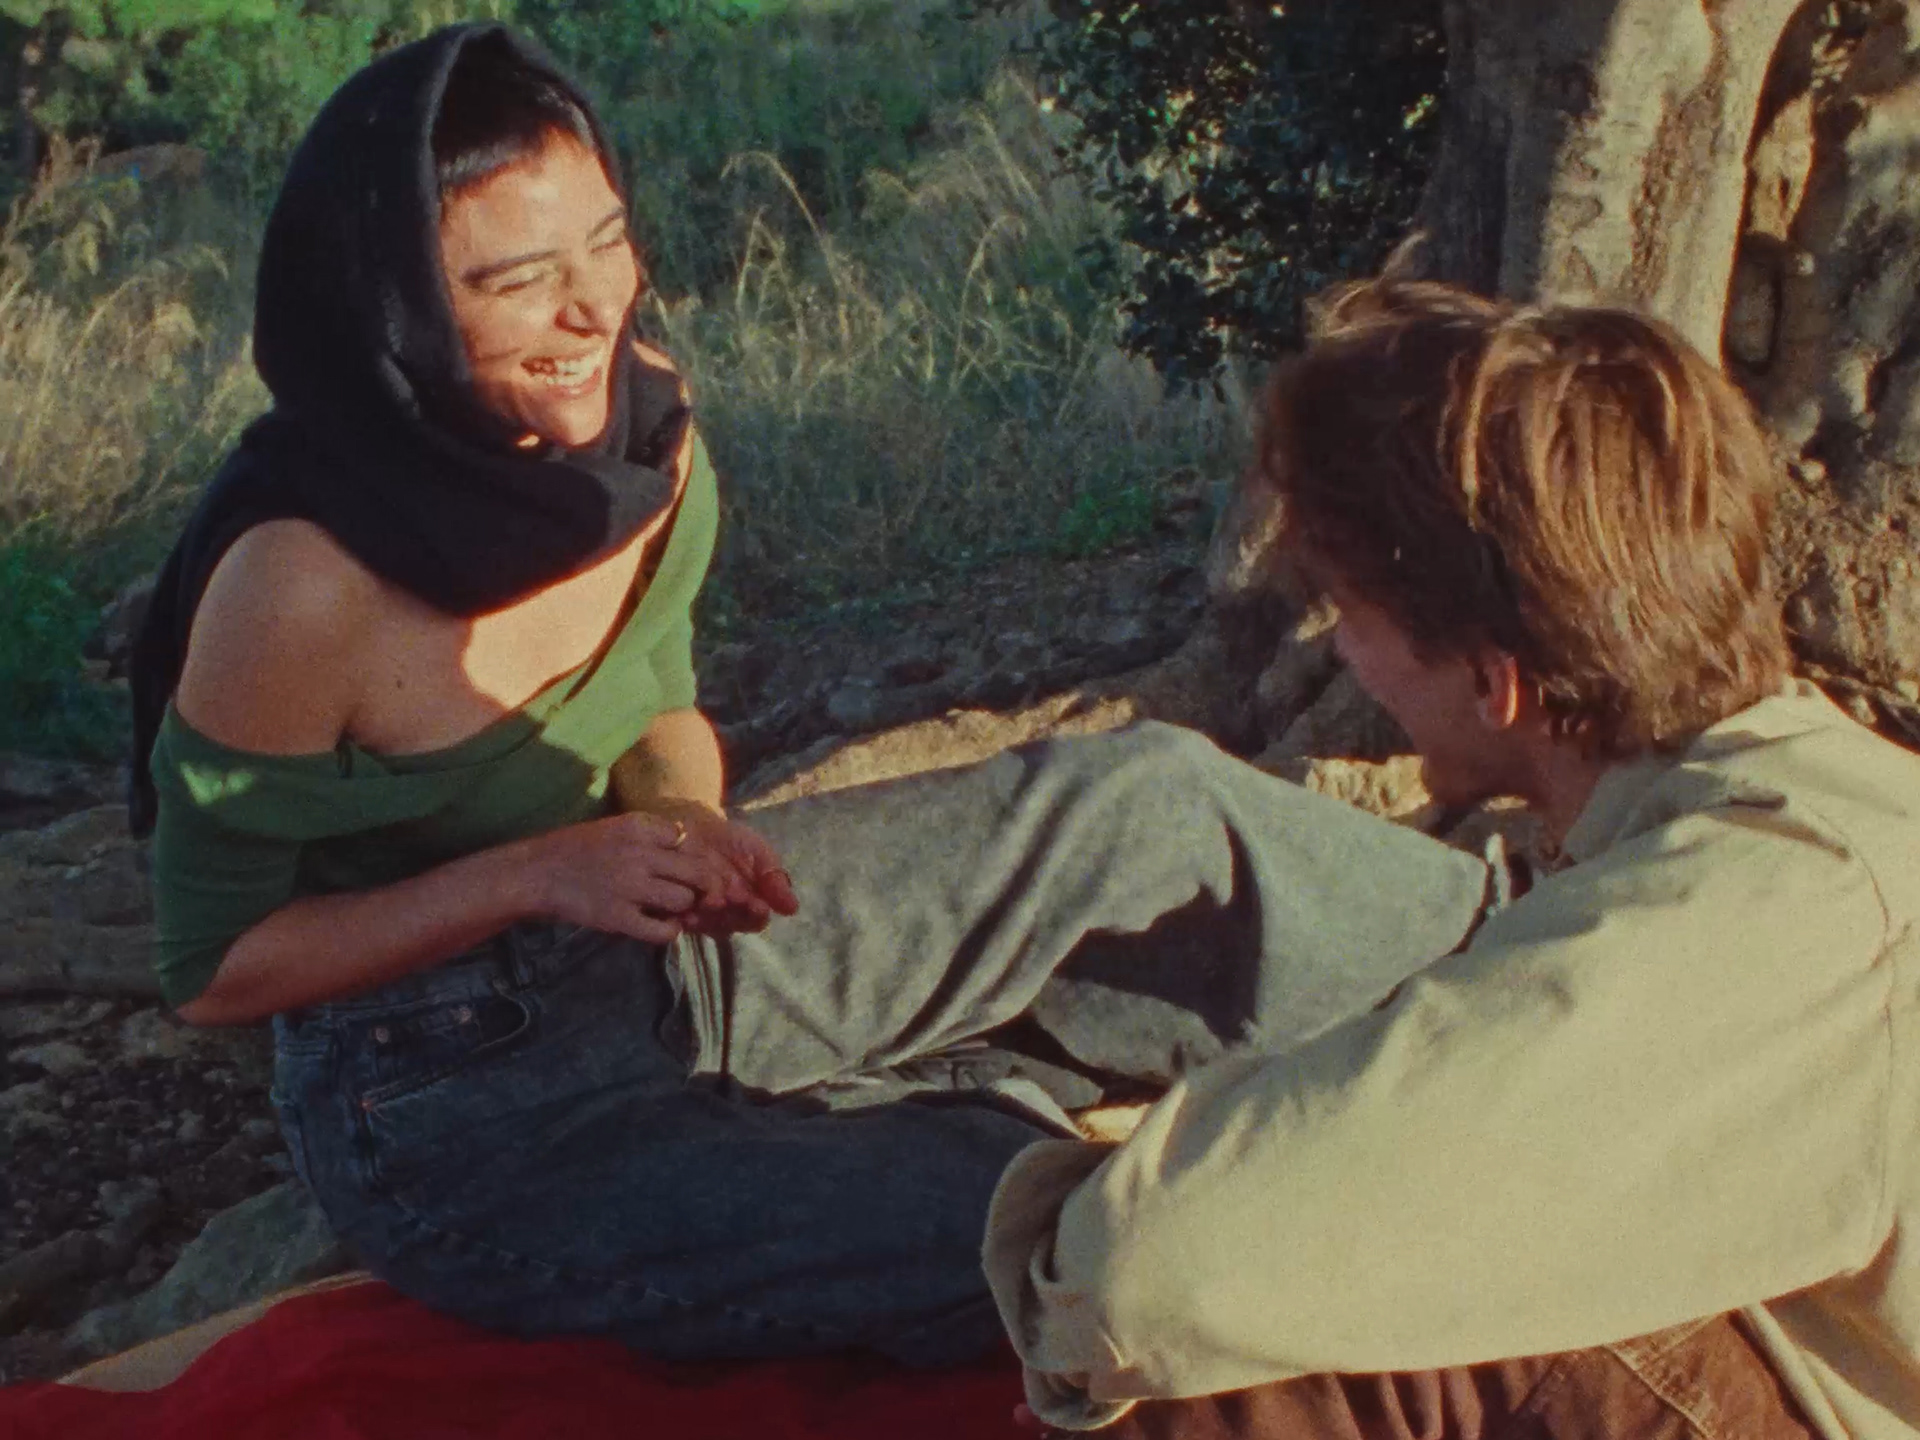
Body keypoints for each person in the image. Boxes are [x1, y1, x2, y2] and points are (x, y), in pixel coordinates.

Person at [131, 23, 1499, 1367]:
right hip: (455, 1106)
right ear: (397, 312)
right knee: (1042, 1230)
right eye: (519, 282)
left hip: (661, 957)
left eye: (607, 242)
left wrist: (686, 819)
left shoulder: (639, 437)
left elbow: (655, 707)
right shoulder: (299, 587)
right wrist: (535, 875)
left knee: (1143, 806)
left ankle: (1540, 984)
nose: (594, 309)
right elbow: (219, 967)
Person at [982, 282, 1920, 1440]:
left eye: (1349, 611)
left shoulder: (1771, 897)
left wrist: (1051, 1227)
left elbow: (1147, 1275)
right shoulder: (1786, 805)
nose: (1343, 653)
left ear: (1494, 680)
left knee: (1295, 1327)